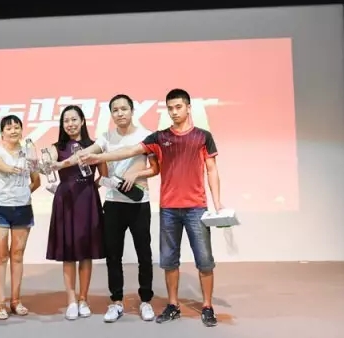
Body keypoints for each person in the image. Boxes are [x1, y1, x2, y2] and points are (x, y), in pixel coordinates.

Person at [81, 89, 223, 327]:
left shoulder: (203, 136)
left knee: (205, 260)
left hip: (196, 208)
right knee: (169, 260)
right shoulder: (159, 137)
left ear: (188, 107)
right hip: (168, 208)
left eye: (178, 107)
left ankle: (207, 306)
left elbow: (212, 170)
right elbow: (130, 150)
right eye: (170, 108)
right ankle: (172, 305)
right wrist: (99, 158)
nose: (174, 112)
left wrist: (218, 204)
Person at [76, 94, 160, 323]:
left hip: (139, 204)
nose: (120, 113)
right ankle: (116, 301)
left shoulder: (146, 136)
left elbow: (155, 169)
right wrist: (73, 158)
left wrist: (136, 174)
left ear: (132, 111)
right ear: (111, 114)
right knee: (113, 255)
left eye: (124, 109)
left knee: (144, 254)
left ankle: (145, 300)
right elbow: (92, 151)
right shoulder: (106, 137)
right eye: (115, 110)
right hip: (113, 203)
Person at [43, 105, 107, 320]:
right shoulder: (57, 147)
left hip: (87, 201)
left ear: (82, 121)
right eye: (66, 121)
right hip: (66, 201)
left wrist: (90, 188)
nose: (70, 124)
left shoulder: (94, 146)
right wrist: (47, 164)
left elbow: (104, 174)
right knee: (68, 253)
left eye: (73, 119)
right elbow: (48, 162)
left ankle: (83, 299)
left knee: (86, 252)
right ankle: (71, 300)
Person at [0, 115, 41, 320]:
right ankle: (0, 303)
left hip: (22, 209)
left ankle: (16, 300)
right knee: (1, 256)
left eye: (16, 127)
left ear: (21, 130)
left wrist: (23, 194)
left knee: (17, 255)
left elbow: (36, 180)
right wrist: (12, 169)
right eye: (8, 128)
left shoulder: (29, 152)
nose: (13, 131)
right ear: (2, 133)